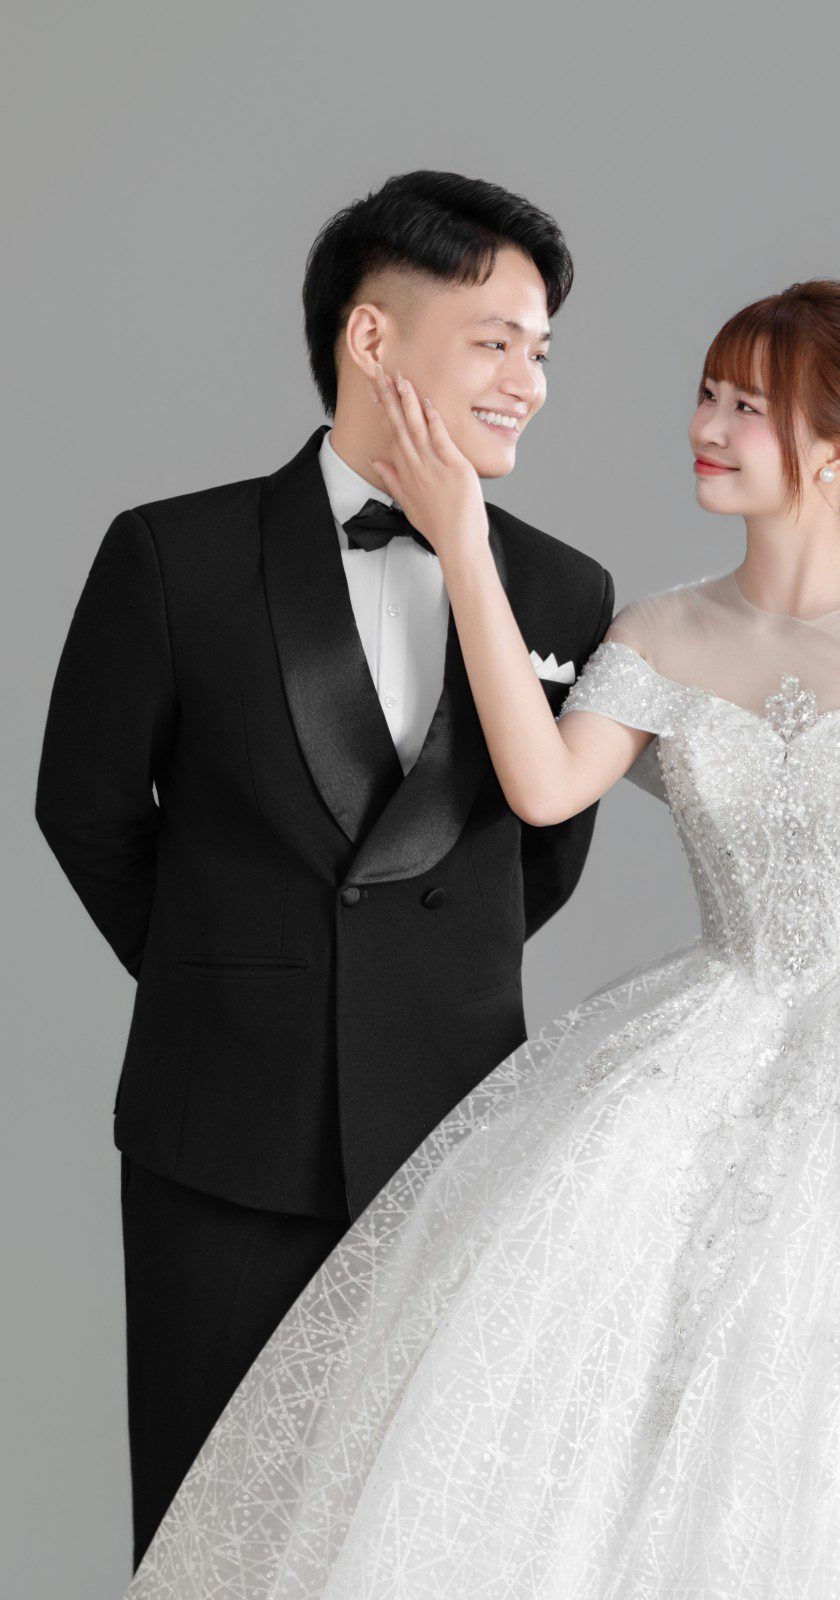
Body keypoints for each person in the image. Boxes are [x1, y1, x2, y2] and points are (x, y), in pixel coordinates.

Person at [124, 264, 840, 1597]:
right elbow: (543, 786)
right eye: (707, 394)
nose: (706, 428)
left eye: (748, 407)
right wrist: (465, 547)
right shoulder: (663, 632)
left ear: (835, 450)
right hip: (705, 1047)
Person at [33, 170, 615, 1572]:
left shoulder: (563, 590)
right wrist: (230, 974)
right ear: (372, 338)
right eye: (495, 342)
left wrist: (403, 985)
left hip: (457, 1127)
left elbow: (545, 860)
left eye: (541, 352)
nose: (528, 384)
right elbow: (85, 809)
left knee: (429, 1545)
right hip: (222, 1130)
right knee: (209, 1540)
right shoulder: (173, 555)